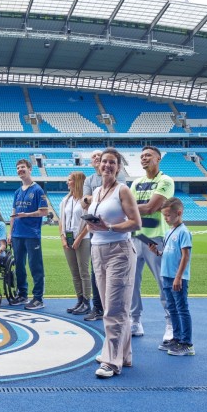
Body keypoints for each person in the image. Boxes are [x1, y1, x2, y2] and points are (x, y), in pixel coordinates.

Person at [74, 148, 141, 378]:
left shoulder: (123, 190)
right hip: (97, 250)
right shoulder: (97, 191)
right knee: (111, 306)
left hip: (119, 250)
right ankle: (124, 354)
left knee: (114, 308)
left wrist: (109, 227)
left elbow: (136, 222)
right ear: (98, 165)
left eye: (112, 162)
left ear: (118, 167)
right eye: (104, 162)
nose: (107, 166)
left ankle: (112, 362)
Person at [130, 145, 175, 342]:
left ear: (158, 159)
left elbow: (151, 208)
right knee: (131, 283)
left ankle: (171, 324)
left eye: (148, 155)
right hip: (135, 237)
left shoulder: (165, 181)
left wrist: (129, 208)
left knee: (163, 283)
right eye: (142, 156)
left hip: (155, 239)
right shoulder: (136, 183)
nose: (144, 158)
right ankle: (135, 321)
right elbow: (132, 209)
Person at [82, 149, 126, 322]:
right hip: (97, 238)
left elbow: (116, 197)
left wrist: (92, 200)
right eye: (95, 158)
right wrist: (90, 199)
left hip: (117, 240)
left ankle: (116, 314)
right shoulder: (90, 181)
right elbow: (84, 201)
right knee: (97, 273)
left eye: (101, 158)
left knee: (115, 283)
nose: (100, 161)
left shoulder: (119, 183)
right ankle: (98, 308)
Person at [149, 197, 195, 356]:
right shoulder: (169, 232)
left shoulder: (183, 232)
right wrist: (157, 252)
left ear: (179, 213)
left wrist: (178, 277)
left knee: (182, 309)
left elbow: (185, 256)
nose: (166, 219)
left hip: (177, 277)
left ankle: (187, 343)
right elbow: (168, 254)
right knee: (172, 308)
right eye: (164, 216)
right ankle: (176, 338)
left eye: (168, 215)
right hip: (166, 275)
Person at [8, 158, 49, 310]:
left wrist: (26, 215)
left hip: (32, 234)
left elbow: (44, 212)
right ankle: (22, 294)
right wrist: (10, 233)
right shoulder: (17, 192)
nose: (20, 170)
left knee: (35, 266)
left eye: (23, 167)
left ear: (30, 169)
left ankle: (38, 298)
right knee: (19, 266)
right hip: (17, 234)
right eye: (18, 168)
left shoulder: (37, 190)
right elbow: (13, 214)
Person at [61, 171, 91, 315]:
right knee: (74, 272)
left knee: (83, 271)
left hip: (83, 239)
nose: (67, 182)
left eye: (70, 180)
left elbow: (88, 222)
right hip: (68, 238)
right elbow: (62, 221)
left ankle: (86, 302)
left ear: (77, 181)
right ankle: (79, 300)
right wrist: (63, 237)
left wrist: (79, 238)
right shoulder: (65, 200)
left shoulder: (85, 201)